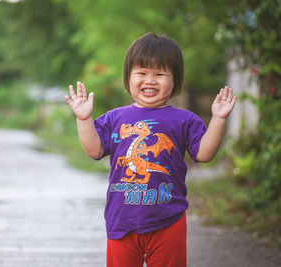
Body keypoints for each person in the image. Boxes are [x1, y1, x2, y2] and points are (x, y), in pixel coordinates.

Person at [65, 33, 237, 267]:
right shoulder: (116, 118)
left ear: (175, 80)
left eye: (160, 74)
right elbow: (94, 151)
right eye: (142, 73)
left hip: (168, 218)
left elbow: (204, 154)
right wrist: (84, 120)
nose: (150, 80)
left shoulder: (184, 120)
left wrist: (218, 118)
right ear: (128, 77)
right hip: (121, 220)